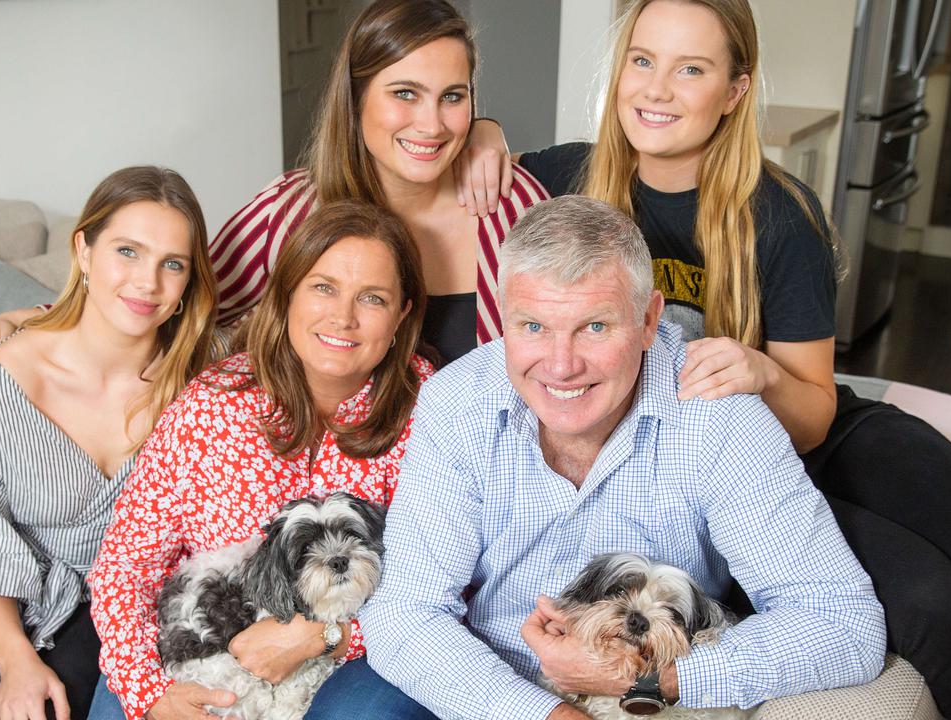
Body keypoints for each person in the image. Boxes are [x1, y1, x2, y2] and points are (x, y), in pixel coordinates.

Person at [497, 1, 951, 717]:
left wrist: (764, 372)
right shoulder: (565, 179)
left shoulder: (778, 213)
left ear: (735, 91)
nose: (657, 89)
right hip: (737, 480)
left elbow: (815, 411)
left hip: (817, 435)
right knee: (932, 601)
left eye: (692, 69)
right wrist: (487, 132)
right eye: (643, 61)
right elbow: (464, 160)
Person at [319, 195, 884, 720]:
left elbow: (844, 621)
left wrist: (654, 680)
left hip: (649, 680)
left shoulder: (721, 419)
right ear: (504, 314)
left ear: (647, 320)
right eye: (534, 326)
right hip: (481, 670)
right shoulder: (457, 401)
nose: (561, 366)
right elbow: (407, 612)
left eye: (593, 326)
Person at [0, 0, 547, 387]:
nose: (432, 124)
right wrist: (33, 320)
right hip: (326, 514)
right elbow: (173, 297)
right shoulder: (290, 212)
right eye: (405, 94)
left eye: (453, 96)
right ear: (357, 97)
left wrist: (490, 135)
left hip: (474, 511)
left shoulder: (514, 205)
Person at [86, 200, 435, 720]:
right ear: (287, 292)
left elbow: (451, 579)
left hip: (361, 652)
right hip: (203, 638)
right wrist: (149, 692)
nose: (343, 317)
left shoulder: (432, 408)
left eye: (373, 298)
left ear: (402, 311)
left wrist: (325, 636)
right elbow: (126, 562)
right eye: (323, 287)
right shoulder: (212, 403)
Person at [0, 166, 218, 720]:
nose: (147, 283)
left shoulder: (204, 385)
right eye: (127, 251)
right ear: (84, 252)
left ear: (190, 281)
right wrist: (16, 660)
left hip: (113, 606)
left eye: (172, 264)